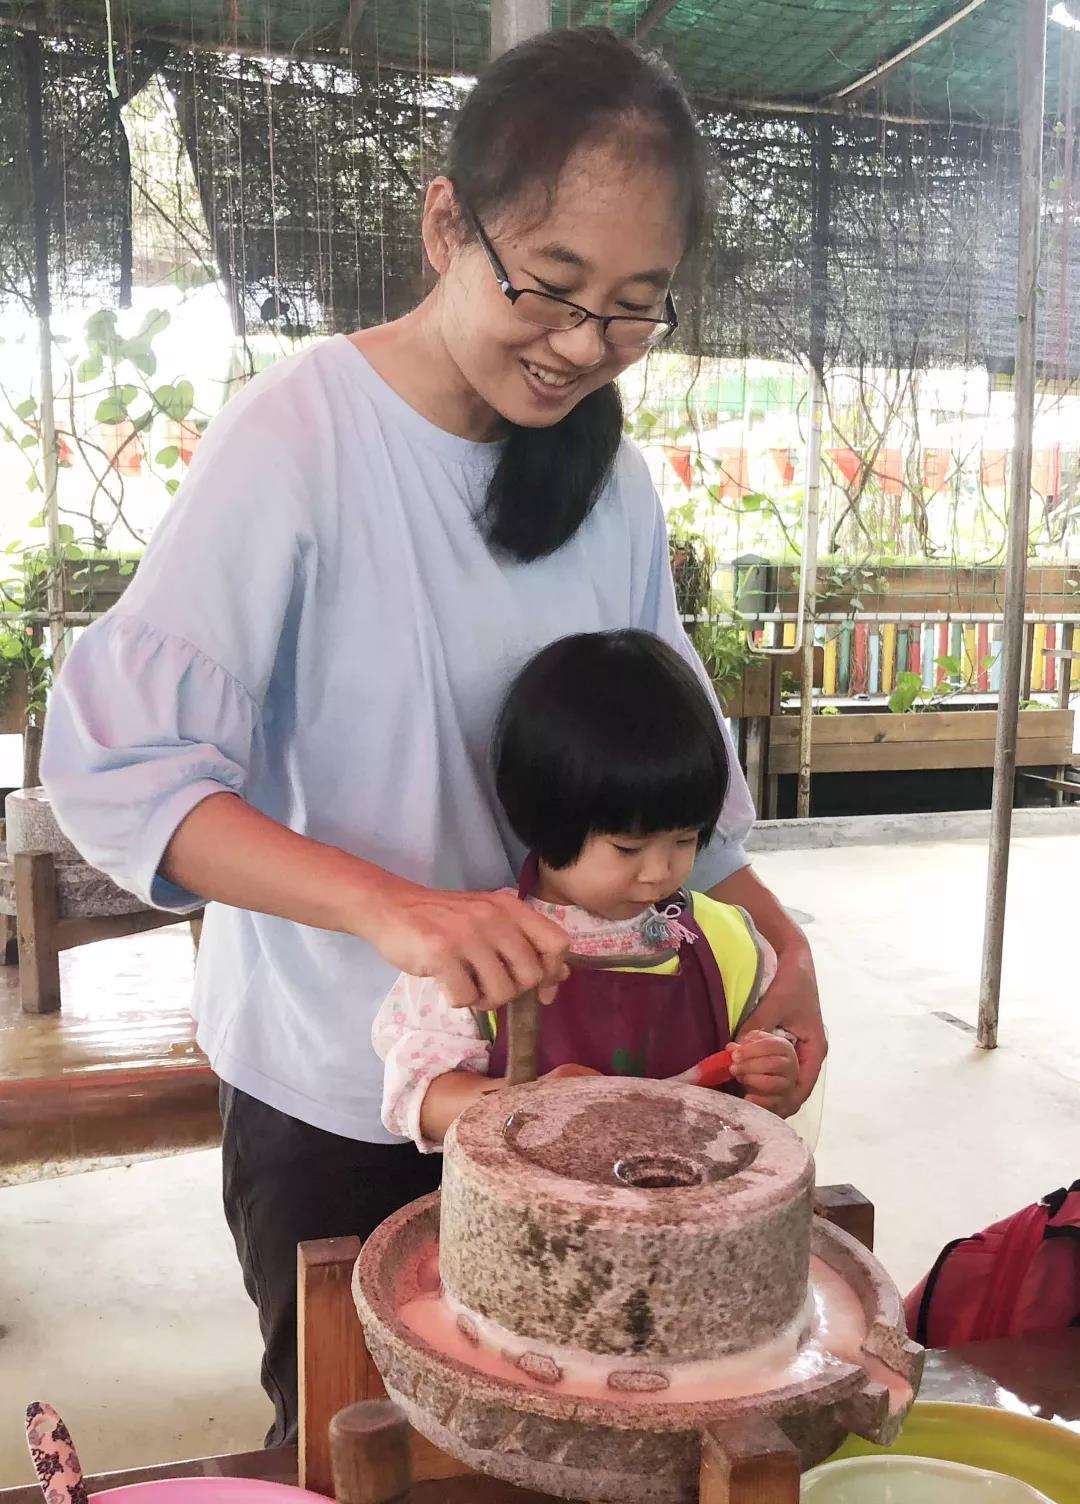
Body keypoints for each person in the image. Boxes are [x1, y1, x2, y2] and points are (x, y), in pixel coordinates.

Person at [40, 26, 824, 1445]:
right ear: (446, 220)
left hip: (585, 1091)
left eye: (637, 308)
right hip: (356, 1100)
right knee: (371, 1443)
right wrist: (397, 911)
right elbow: (123, 771)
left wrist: (783, 943)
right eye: (554, 288)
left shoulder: (612, 487)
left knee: (587, 1438)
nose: (587, 346)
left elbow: (660, 771)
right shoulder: (301, 441)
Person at [374, 630, 799, 1151]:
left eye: (685, 840)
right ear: (544, 817)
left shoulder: (729, 941)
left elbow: (769, 1069)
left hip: (690, 1223)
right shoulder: (486, 947)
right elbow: (419, 1100)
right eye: (628, 848)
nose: (659, 872)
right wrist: (523, 1102)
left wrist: (773, 1069)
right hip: (531, 1228)